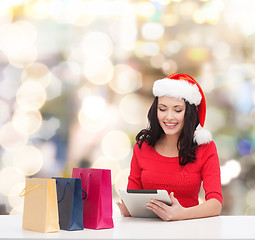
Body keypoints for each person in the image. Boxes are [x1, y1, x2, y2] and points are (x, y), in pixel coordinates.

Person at [117, 73, 223, 221]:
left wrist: (180, 215)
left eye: (178, 110)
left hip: (188, 230)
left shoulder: (205, 148)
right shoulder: (142, 148)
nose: (169, 117)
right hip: (147, 231)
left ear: (189, 113)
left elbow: (215, 204)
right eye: (162, 109)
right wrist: (129, 210)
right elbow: (133, 196)